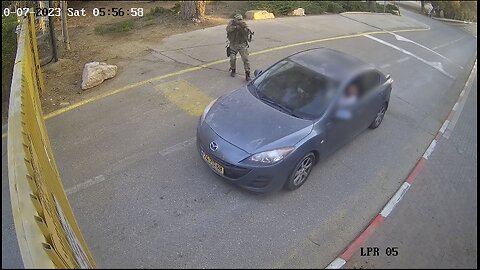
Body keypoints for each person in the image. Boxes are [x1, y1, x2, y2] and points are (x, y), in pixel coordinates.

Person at [226, 14, 253, 81]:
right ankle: (233, 70)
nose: (239, 21)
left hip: (242, 45)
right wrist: (235, 27)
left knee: (245, 59)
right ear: (235, 20)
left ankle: (247, 74)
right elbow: (227, 29)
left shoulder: (243, 25)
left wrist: (244, 29)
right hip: (233, 45)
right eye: (238, 20)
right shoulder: (231, 24)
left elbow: (248, 35)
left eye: (240, 19)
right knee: (232, 59)